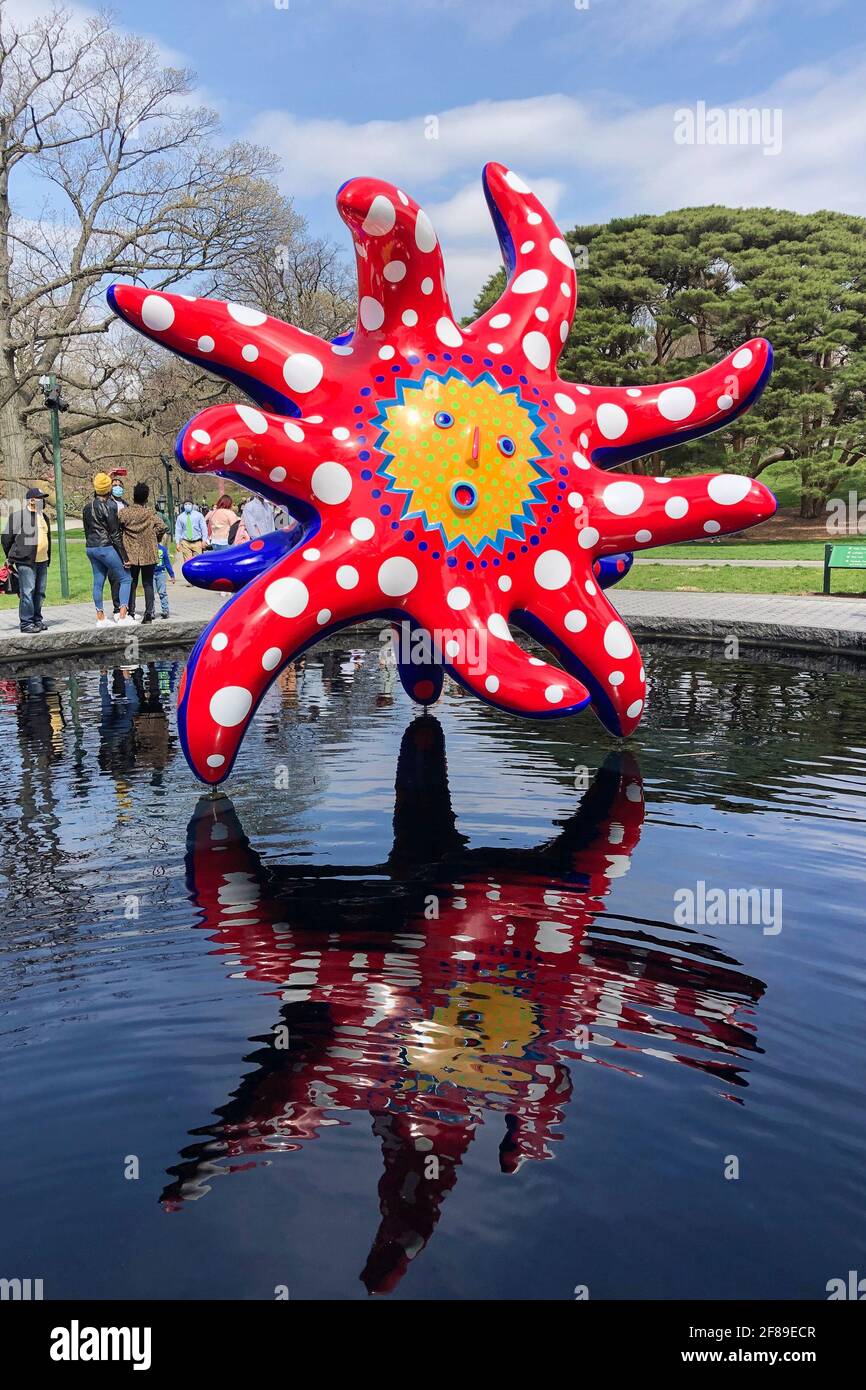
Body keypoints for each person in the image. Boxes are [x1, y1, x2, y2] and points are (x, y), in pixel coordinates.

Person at [82, 473, 134, 626]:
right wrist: (125, 557)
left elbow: (86, 530)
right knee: (125, 578)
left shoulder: (86, 507)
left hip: (91, 548)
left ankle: (101, 618)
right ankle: (123, 616)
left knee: (98, 582)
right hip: (105, 547)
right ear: (109, 489)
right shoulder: (109, 507)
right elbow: (115, 534)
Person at [1, 486, 51, 634]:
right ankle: (26, 623)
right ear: (31, 500)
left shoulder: (44, 516)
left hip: (42, 560)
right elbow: (6, 539)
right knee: (28, 592)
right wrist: (13, 555)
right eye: (40, 498)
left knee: (40, 592)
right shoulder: (18, 516)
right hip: (25, 561)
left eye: (43, 498)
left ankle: (37, 619)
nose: (43, 501)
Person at [119, 481, 166, 623]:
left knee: (132, 583)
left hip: (131, 553)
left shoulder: (125, 513)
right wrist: (155, 537)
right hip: (148, 552)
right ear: (146, 498)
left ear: (133, 497)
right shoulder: (150, 513)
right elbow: (162, 527)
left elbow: (117, 527)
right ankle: (148, 614)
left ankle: (131, 611)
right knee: (148, 584)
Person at [174, 499, 208, 576]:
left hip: (197, 542)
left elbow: (204, 528)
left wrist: (204, 540)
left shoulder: (199, 515)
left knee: (198, 562)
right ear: (183, 506)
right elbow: (178, 530)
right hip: (185, 542)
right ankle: (190, 579)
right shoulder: (180, 517)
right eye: (186, 504)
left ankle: (198, 577)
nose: (187, 506)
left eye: (189, 504)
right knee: (187, 563)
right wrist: (177, 543)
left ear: (192, 505)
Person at [154, 540, 175, 618]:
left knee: (162, 592)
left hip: (161, 573)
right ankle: (151, 611)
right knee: (151, 594)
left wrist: (171, 575)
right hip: (151, 574)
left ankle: (165, 610)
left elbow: (167, 563)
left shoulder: (163, 549)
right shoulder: (149, 549)